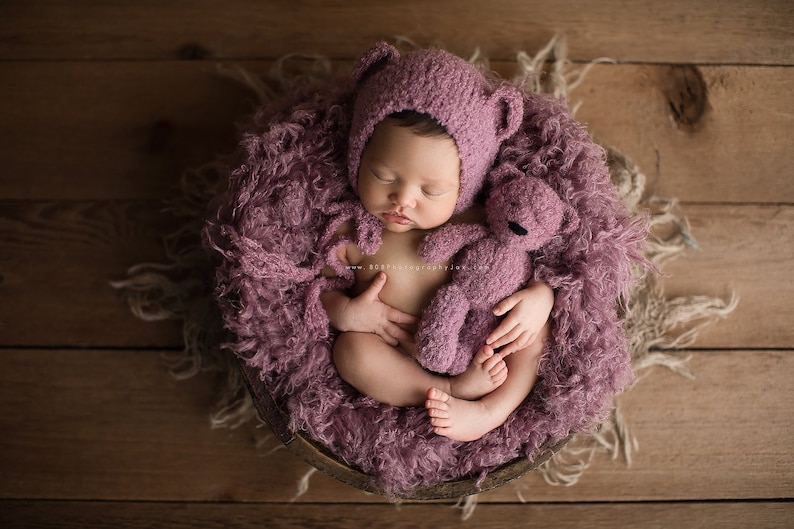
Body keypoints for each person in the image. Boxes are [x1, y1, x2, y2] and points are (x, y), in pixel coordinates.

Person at [320, 44, 554, 442]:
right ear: (358, 156)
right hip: (404, 355)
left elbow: (527, 259)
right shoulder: (352, 237)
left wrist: (541, 298)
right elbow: (321, 291)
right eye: (383, 175)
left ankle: (492, 410)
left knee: (534, 333)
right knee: (351, 353)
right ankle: (450, 392)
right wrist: (348, 315)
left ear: (466, 185)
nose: (403, 200)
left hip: (484, 343)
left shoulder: (479, 217)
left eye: (431, 191)